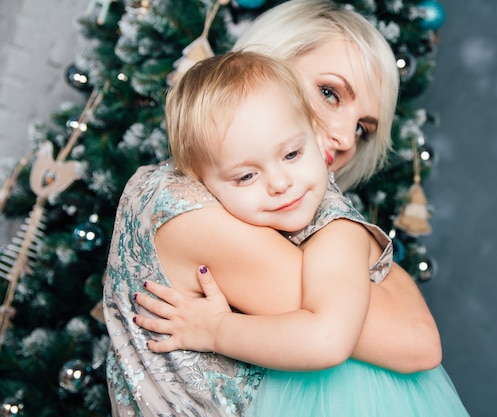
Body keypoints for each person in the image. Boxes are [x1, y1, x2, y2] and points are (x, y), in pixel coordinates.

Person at [104, 1, 442, 415]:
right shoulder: (176, 200)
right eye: (329, 92)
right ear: (267, 61)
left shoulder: (306, 218)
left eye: (362, 129)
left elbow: (414, 339)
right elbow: (411, 337)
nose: (345, 138)